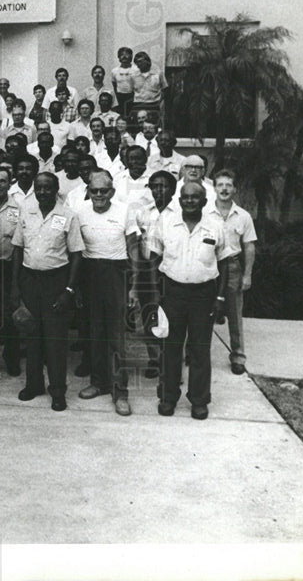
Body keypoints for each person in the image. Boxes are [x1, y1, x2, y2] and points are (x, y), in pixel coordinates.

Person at [147, 182, 232, 420]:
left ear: (204, 202)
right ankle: (168, 396)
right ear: (179, 199)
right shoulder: (166, 222)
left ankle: (199, 400)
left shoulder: (215, 225)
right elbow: (154, 259)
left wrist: (220, 297)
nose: (190, 201)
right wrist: (155, 294)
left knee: (199, 349)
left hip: (203, 295)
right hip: (172, 293)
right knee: (170, 347)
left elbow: (224, 262)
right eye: (185, 197)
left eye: (195, 197)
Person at [10, 172, 84, 411]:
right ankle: (34, 384)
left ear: (56, 189)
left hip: (56, 281)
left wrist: (69, 289)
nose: (43, 192)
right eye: (39, 188)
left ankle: (58, 390)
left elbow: (75, 255)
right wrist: (15, 286)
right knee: (32, 336)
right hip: (30, 280)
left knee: (55, 340)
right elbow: (18, 250)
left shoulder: (67, 216)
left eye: (47, 188)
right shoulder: (27, 213)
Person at [75, 172, 140, 416]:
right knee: (95, 333)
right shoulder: (80, 212)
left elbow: (134, 249)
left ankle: (120, 391)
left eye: (104, 191)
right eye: (95, 191)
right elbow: (76, 249)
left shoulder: (124, 211)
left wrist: (134, 286)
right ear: (88, 191)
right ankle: (98, 383)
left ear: (112, 192)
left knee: (116, 336)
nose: (99, 195)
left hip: (117, 273)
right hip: (91, 274)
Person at [207, 170, 257, 375]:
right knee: (203, 312)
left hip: (233, 266)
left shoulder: (243, 216)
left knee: (235, 314)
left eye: (228, 185)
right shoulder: (205, 213)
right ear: (214, 188)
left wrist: (247, 274)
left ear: (234, 189)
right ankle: (196, 354)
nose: (224, 189)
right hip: (209, 265)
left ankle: (238, 356)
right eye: (220, 185)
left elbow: (250, 247)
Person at [0, 166, 23, 377]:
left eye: (3, 181)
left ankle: (11, 359)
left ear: (10, 183)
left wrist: (17, 280)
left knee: (10, 318)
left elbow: (19, 244)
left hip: (10, 267)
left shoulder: (18, 209)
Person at [131, 50, 168, 117]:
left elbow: (165, 89)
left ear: (147, 61)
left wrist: (159, 102)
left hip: (153, 104)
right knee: (138, 125)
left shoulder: (158, 73)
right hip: (138, 104)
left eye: (141, 61)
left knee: (153, 124)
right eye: (137, 62)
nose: (139, 64)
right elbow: (130, 91)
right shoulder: (133, 76)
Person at [111, 46, 136, 120]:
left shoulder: (136, 69)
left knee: (132, 118)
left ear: (131, 57)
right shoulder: (114, 71)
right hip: (120, 98)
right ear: (119, 57)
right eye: (122, 55)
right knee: (121, 118)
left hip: (133, 98)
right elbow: (114, 85)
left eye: (127, 54)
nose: (124, 57)